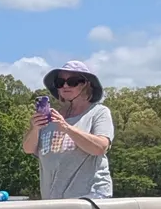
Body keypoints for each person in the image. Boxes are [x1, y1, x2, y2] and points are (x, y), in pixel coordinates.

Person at [22, 60, 114, 199]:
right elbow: (28, 149)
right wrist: (34, 128)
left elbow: (100, 147)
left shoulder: (98, 112)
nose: (65, 86)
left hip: (91, 197)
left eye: (72, 81)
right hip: (53, 201)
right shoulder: (49, 118)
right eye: (60, 82)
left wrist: (67, 128)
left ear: (86, 84)